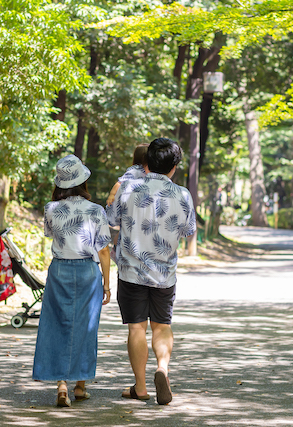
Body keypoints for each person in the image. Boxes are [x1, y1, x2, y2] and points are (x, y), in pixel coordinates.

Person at [106, 137, 196, 405]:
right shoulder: (182, 195)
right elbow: (189, 230)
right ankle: (163, 369)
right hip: (164, 273)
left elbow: (110, 220)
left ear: (148, 162)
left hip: (131, 270)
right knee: (162, 325)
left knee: (136, 328)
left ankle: (141, 387)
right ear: (174, 166)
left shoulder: (128, 187)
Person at [33, 154, 112, 407]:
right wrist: (107, 285)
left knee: (57, 325)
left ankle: (61, 386)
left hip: (59, 271)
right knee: (85, 327)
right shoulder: (96, 211)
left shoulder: (50, 209)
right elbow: (103, 251)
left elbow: (51, 235)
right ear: (82, 181)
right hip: (88, 272)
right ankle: (80, 386)